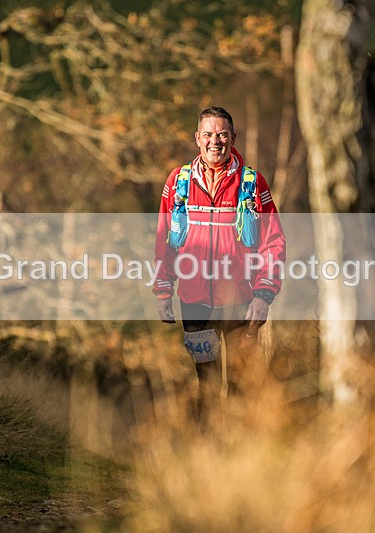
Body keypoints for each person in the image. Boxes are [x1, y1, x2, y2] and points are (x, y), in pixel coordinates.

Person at [153, 106, 286, 417]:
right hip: (194, 304)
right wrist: (163, 291)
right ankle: (208, 445)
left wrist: (264, 295)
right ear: (197, 138)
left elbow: (273, 242)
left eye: (222, 135)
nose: (215, 141)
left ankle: (245, 446)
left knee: (244, 384)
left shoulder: (252, 184)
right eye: (209, 134)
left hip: (242, 303)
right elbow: (164, 240)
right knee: (207, 384)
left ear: (233, 138)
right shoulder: (178, 182)